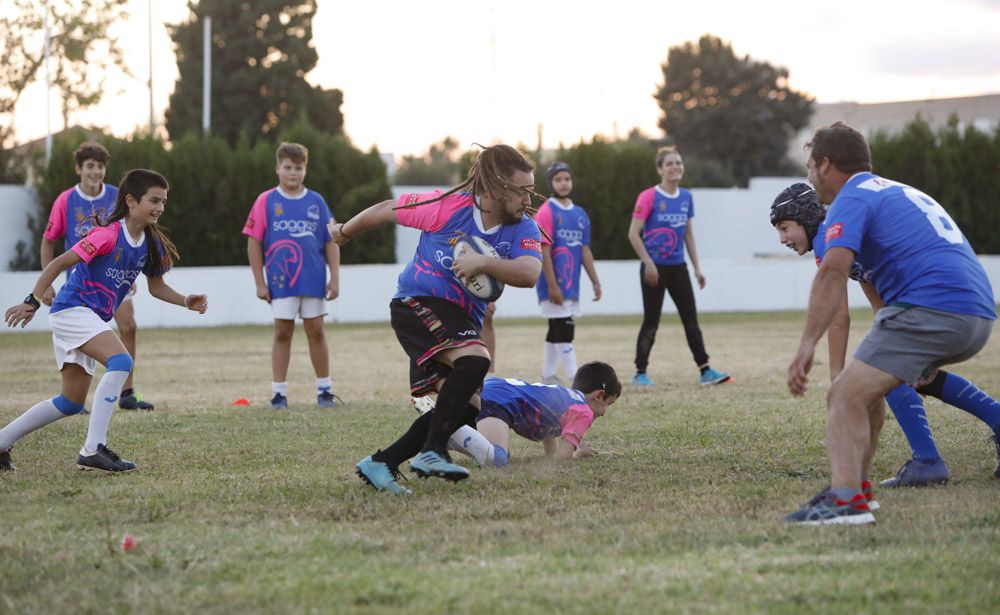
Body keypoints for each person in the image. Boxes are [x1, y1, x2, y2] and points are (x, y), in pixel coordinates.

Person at [784, 122, 996, 525]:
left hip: (930, 307)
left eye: (810, 166)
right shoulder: (898, 189)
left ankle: (845, 501)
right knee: (865, 392)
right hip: (977, 312)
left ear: (826, 165)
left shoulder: (851, 197)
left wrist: (807, 345)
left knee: (843, 396)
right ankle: (860, 489)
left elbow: (832, 272)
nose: (809, 176)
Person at [332, 144, 543, 494]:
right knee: (477, 359)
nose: (528, 198)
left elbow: (530, 272)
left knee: (466, 409)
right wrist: (344, 232)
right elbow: (387, 210)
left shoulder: (524, 228)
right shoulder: (446, 208)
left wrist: (483, 263)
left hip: (459, 322)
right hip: (417, 303)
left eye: (530, 189)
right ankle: (432, 451)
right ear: (494, 189)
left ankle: (381, 462)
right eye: (521, 190)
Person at [1, 169, 208, 474]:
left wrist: (185, 300)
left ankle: (2, 440)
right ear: (131, 201)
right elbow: (60, 262)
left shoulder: (151, 243)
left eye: (163, 202)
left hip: (89, 317)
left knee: (70, 402)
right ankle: (92, 449)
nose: (160, 208)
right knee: (121, 362)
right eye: (154, 200)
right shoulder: (107, 234)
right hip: (72, 310)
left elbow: (156, 286)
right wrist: (32, 300)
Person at [40, 142, 153, 411]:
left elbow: (130, 236)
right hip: (81, 282)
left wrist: (129, 271)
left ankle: (127, 393)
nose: (96, 172)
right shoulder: (66, 200)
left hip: (115, 279)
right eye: (90, 166)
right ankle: (74, 397)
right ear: (79, 169)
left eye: (100, 166)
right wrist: (46, 286)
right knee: (81, 338)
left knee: (130, 325)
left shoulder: (117, 196)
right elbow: (48, 241)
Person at [243, 142, 341, 410]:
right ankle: (279, 394)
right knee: (283, 332)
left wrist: (335, 278)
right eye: (288, 167)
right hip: (280, 281)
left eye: (298, 168)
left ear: (305, 169)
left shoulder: (317, 201)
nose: (293, 173)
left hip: (312, 279)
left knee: (316, 331)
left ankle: (324, 390)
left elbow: (331, 241)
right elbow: (253, 242)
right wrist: (259, 282)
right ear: (278, 168)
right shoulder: (266, 201)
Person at [627, 147, 729, 387]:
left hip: (678, 267)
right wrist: (649, 263)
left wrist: (696, 268)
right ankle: (640, 373)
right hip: (654, 269)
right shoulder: (649, 196)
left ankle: (705, 371)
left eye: (678, 163)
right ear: (660, 169)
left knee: (691, 320)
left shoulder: (686, 197)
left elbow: (688, 236)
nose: (675, 167)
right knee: (652, 321)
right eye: (670, 163)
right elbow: (633, 234)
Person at [469, 361, 620, 464]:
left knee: (459, 433)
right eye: (609, 404)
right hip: (497, 402)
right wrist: (580, 452)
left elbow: (551, 449)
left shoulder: (565, 398)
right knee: (497, 459)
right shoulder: (583, 411)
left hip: (487, 389)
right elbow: (562, 458)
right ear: (599, 396)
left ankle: (450, 435)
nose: (604, 413)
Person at [534, 162, 602, 385]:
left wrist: (595, 281)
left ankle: (548, 375)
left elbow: (584, 249)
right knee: (565, 327)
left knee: (556, 327)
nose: (563, 183)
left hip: (572, 284)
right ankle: (575, 377)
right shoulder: (546, 211)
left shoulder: (580, 214)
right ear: (551, 183)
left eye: (567, 178)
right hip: (553, 283)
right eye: (558, 179)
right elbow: (544, 249)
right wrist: (552, 285)